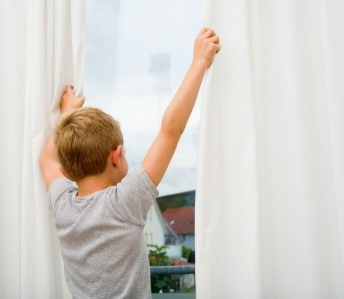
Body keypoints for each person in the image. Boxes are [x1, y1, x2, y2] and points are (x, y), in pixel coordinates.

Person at [39, 27, 221, 299]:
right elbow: (171, 130)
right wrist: (199, 62)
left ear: (66, 171)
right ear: (117, 155)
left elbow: (46, 158)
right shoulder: (124, 202)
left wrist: (66, 114)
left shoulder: (63, 205)